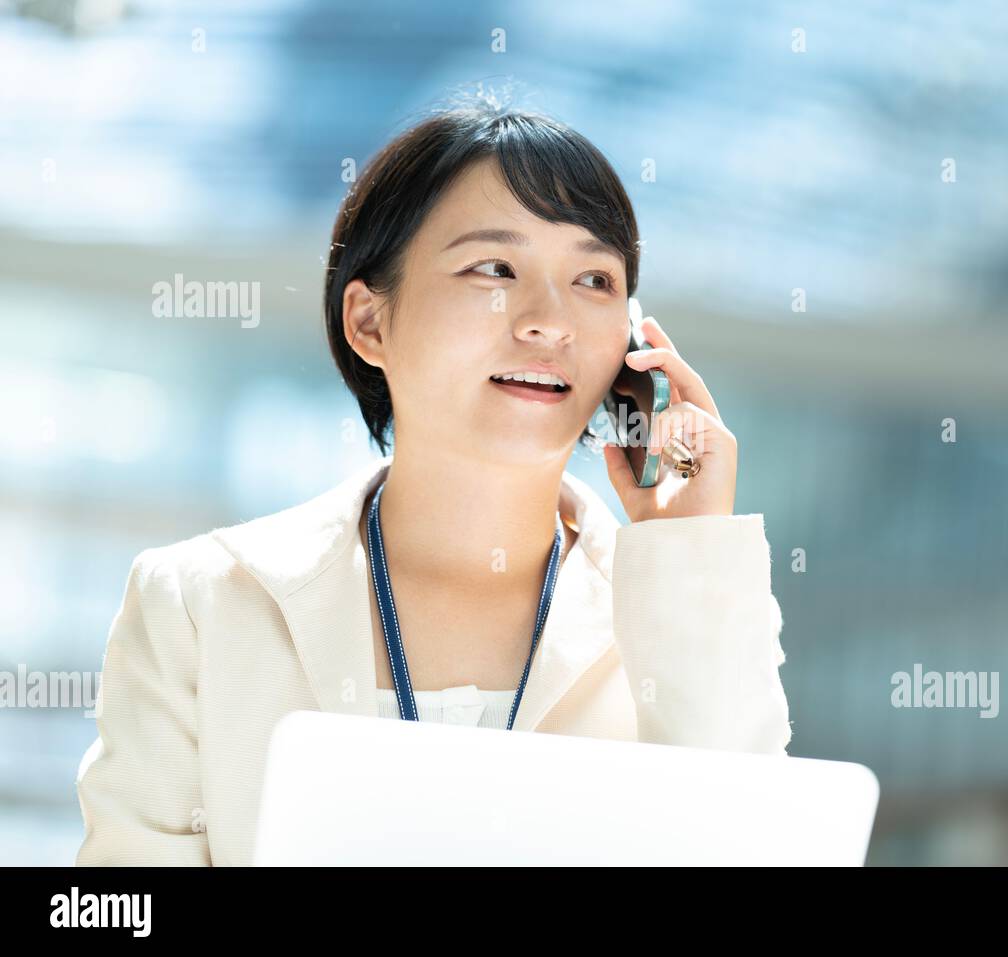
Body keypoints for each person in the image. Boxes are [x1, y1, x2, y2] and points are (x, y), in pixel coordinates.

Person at [74, 99, 791, 866]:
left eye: (593, 278)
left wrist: (686, 546)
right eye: (494, 268)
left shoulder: (677, 603)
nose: (550, 320)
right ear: (370, 322)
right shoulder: (200, 602)